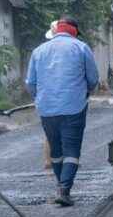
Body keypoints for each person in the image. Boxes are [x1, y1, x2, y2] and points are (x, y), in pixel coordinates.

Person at [26, 16, 99, 206]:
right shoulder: (81, 48)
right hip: (74, 107)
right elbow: (92, 79)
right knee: (72, 150)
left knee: (56, 150)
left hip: (46, 108)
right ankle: (64, 189)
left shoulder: (38, 51)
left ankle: (60, 186)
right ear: (74, 31)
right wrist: (86, 91)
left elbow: (30, 83)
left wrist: (39, 98)